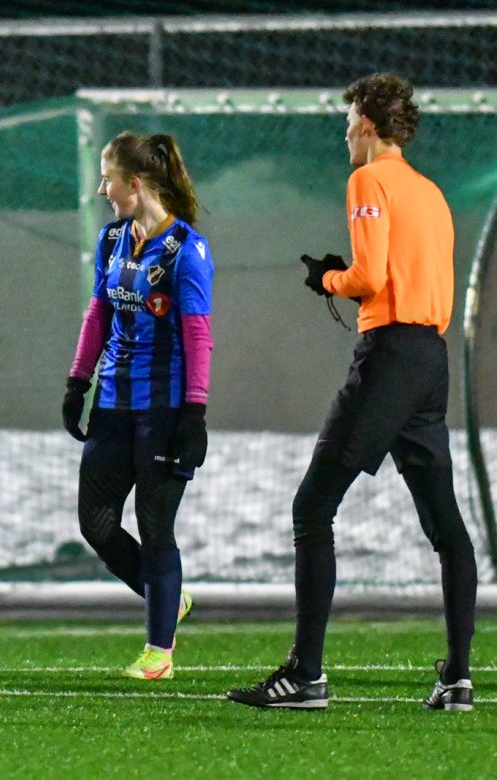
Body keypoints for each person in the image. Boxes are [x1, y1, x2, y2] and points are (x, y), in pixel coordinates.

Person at [228, 73, 477, 711]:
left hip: (390, 356)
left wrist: (329, 280)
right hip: (430, 358)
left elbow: (368, 276)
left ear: (367, 123)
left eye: (347, 124)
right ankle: (458, 677)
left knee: (312, 508)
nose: (344, 136)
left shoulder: (368, 180)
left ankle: (305, 676)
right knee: (445, 525)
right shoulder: (431, 192)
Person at [62, 131, 214, 681]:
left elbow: (198, 335)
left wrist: (194, 414)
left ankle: (159, 653)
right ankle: (168, 599)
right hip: (112, 402)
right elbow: (98, 314)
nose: (102, 190)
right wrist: (78, 381)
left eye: (108, 180)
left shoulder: (187, 251)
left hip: (164, 410)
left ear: (136, 182)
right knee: (96, 523)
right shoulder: (112, 239)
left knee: (155, 528)